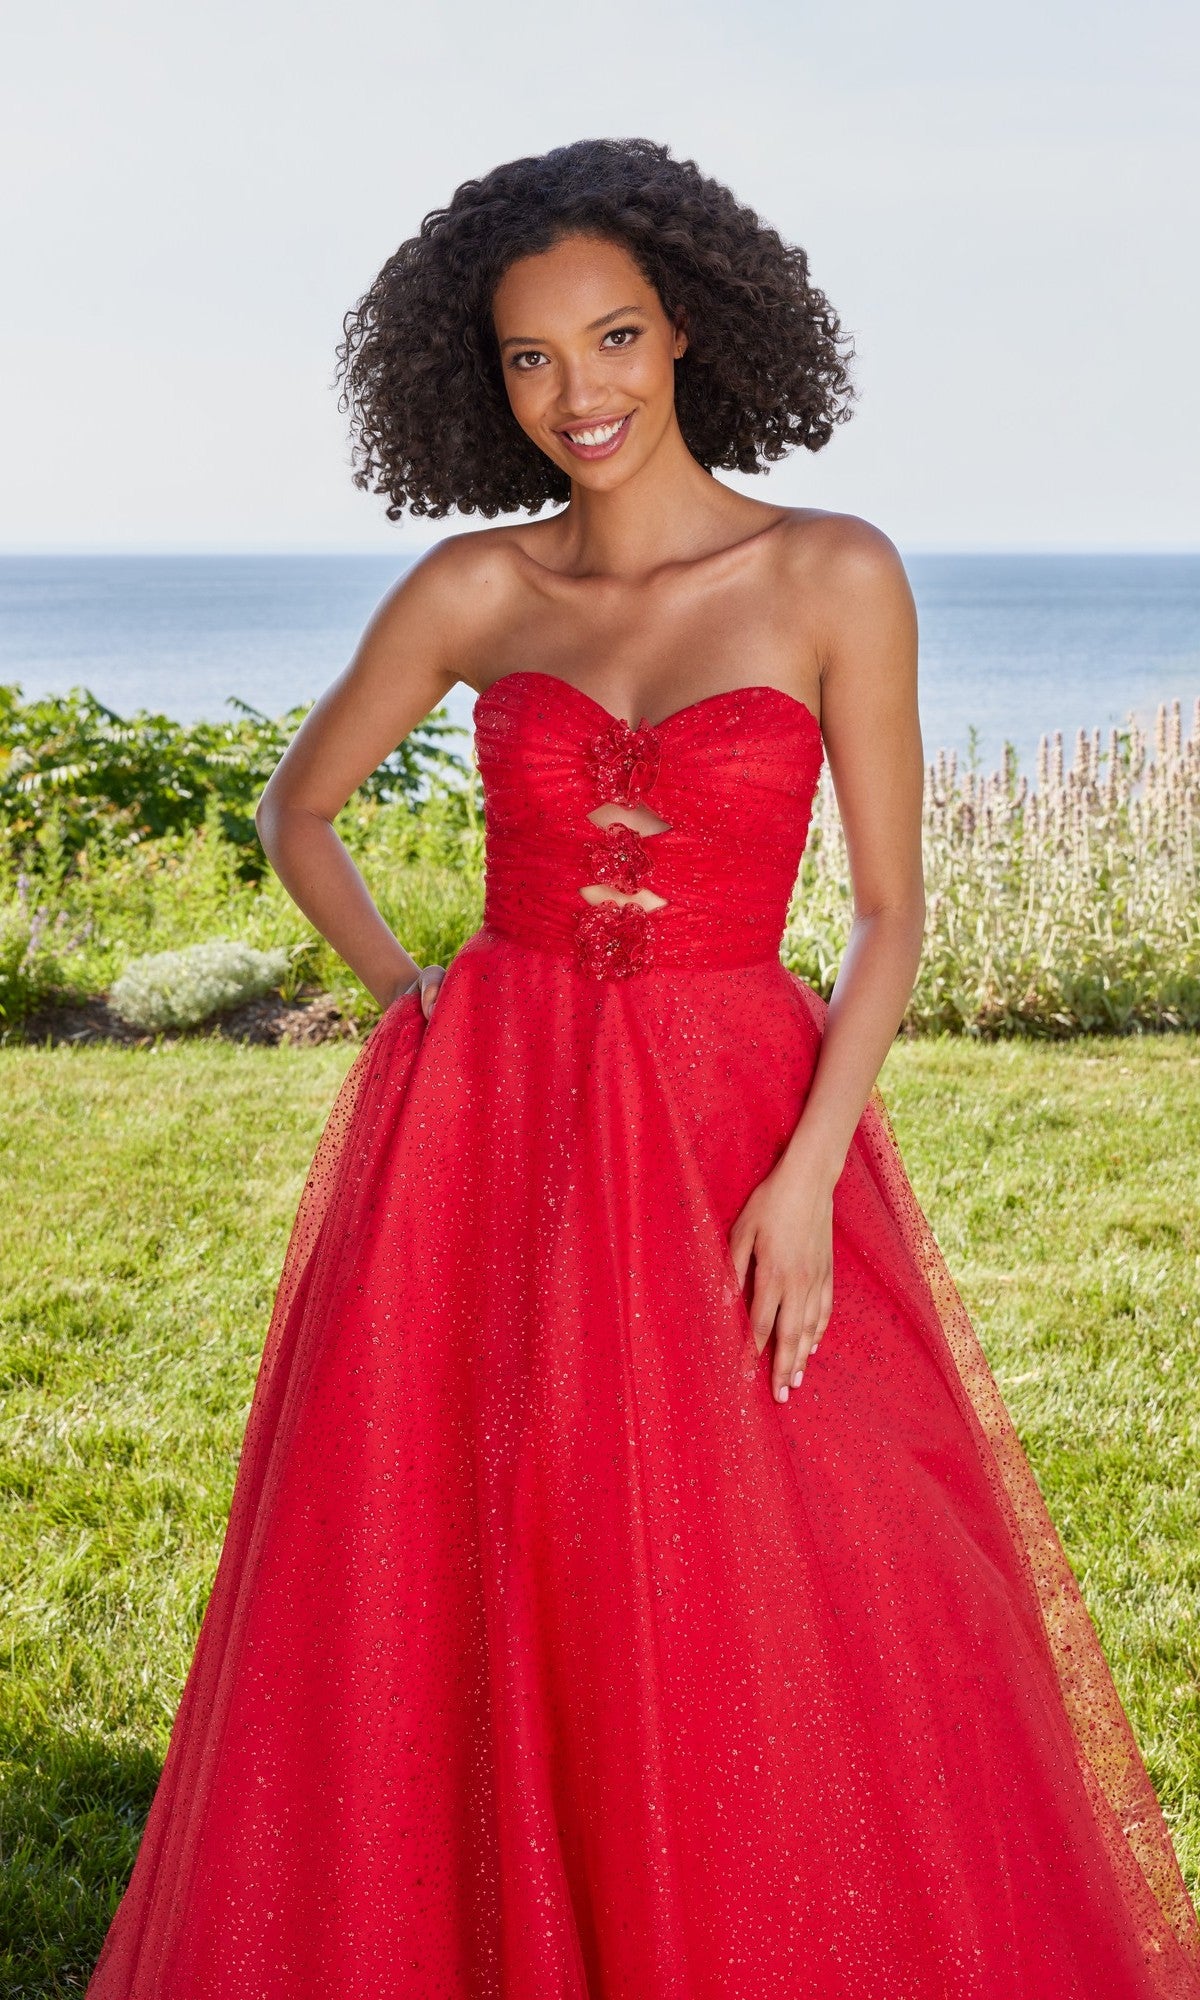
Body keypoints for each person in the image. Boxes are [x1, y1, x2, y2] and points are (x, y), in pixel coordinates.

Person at [86, 137, 1200, 1999]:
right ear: (483, 381)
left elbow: (891, 917)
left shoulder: (833, 572)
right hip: (491, 1104)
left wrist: (808, 1175)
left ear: (687, 328)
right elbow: (301, 811)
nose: (578, 393)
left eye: (610, 338)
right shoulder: (471, 592)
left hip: (731, 1110)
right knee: (473, 1528)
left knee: (787, 1550)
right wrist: (408, 994)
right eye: (531, 359)